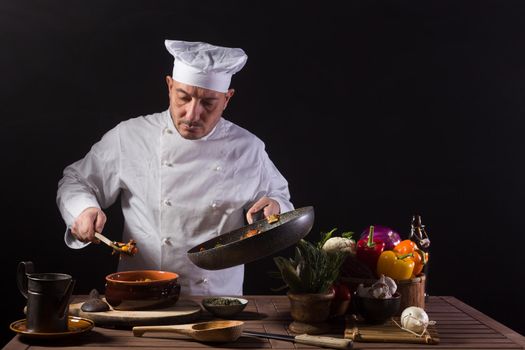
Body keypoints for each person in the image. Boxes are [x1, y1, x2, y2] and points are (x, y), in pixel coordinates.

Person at [56, 39, 294, 296]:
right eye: (183, 97)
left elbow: (279, 201)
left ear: (227, 99)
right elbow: (76, 180)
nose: (192, 114)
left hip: (217, 300)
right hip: (143, 296)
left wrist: (275, 206)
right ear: (170, 86)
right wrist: (83, 209)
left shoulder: (248, 148)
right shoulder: (130, 137)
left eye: (208, 103)